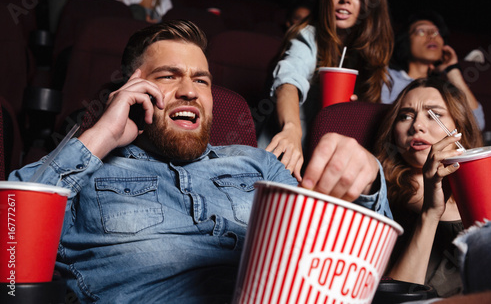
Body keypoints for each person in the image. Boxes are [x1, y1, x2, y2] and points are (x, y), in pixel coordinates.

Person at [9, 20, 392, 303]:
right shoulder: (87, 173)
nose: (190, 91)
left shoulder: (258, 164)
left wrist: (368, 183)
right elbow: (10, 234)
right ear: (132, 90)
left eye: (202, 80)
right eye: (169, 76)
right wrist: (98, 137)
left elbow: (337, 251)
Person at [259, 0, 393, 181]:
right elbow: (288, 80)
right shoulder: (308, 36)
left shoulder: (371, 55)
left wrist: (351, 113)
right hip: (285, 158)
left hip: (330, 163)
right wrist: (292, 129)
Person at [375, 77, 483, 297]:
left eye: (434, 115)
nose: (417, 126)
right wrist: (430, 213)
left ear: (459, 129)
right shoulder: (378, 196)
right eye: (405, 116)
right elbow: (396, 299)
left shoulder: (482, 189)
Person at [383, 10, 485, 130]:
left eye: (436, 32)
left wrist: (453, 70)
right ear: (406, 42)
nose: (431, 35)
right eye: (421, 31)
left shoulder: (443, 88)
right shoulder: (386, 77)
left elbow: (477, 124)